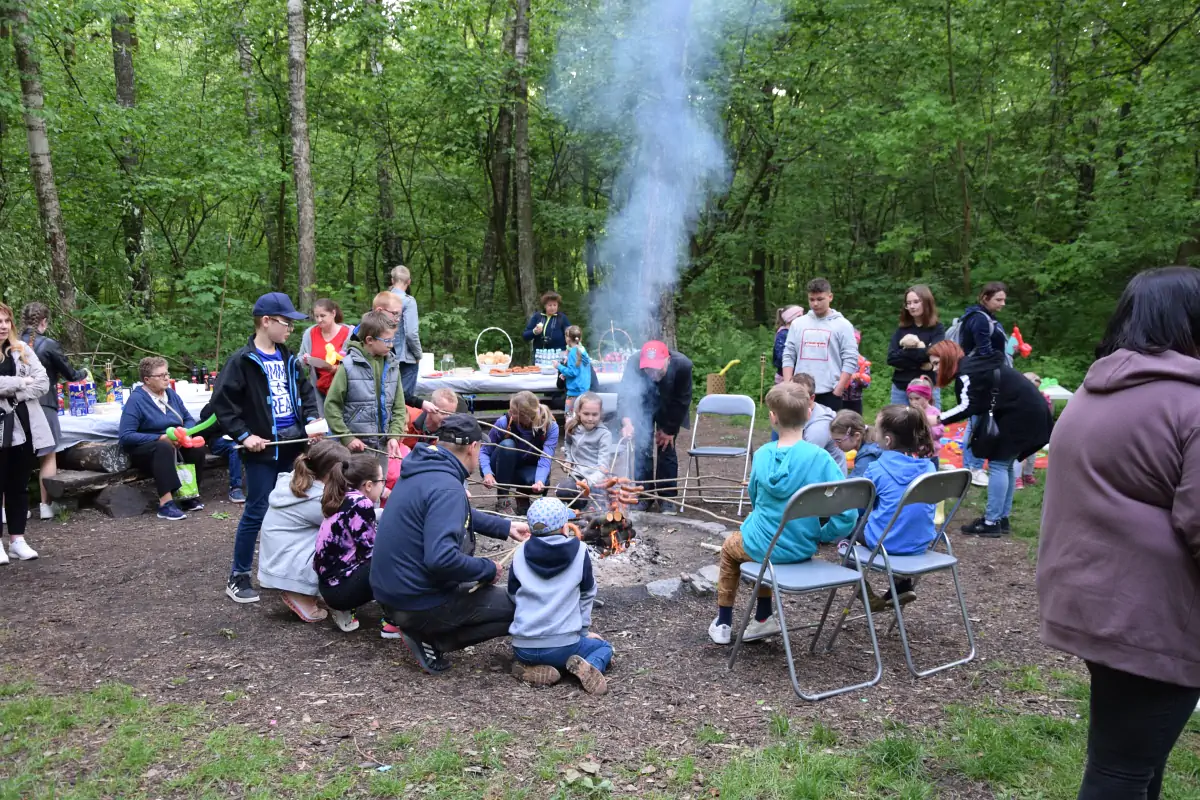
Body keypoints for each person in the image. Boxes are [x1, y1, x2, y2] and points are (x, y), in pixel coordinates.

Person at [1038, 265, 1200, 800]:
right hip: (1153, 614)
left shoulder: (1096, 389)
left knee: (1132, 759)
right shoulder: (1191, 403)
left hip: (1094, 600)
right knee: (1121, 770)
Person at [370, 414, 531, 674]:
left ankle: (424, 631)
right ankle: (435, 639)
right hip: (417, 603)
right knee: (522, 605)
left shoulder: (421, 469)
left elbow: (450, 511)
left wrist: (506, 527)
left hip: (392, 596)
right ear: (473, 447)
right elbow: (441, 559)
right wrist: (486, 569)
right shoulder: (447, 487)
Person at [707, 382, 856, 645]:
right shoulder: (820, 458)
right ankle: (763, 617)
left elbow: (755, 499)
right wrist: (822, 535)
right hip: (801, 547)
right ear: (809, 414)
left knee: (731, 549)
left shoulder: (763, 454)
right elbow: (848, 515)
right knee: (761, 546)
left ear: (773, 417)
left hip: (762, 546)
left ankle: (723, 622)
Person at [213, 292, 322, 604]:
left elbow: (306, 393)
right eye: (285, 323)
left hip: (294, 446)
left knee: (298, 507)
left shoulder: (289, 358)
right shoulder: (241, 362)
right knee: (257, 510)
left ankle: (291, 573)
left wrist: (312, 422)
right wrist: (245, 435)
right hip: (263, 450)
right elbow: (223, 405)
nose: (290, 329)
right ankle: (239, 575)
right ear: (265, 321)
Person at [928, 339, 1052, 538]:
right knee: (1006, 465)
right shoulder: (972, 366)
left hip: (1022, 415)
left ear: (948, 359)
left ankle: (991, 521)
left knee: (998, 465)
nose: (934, 369)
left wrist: (937, 419)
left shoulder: (967, 373)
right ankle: (1000, 518)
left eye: (936, 363)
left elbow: (968, 406)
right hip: (1029, 411)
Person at [508, 497, 612, 694]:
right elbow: (587, 593)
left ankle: (529, 668)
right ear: (565, 527)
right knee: (604, 647)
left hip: (524, 647)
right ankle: (589, 666)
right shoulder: (580, 552)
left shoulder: (520, 553)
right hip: (563, 647)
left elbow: (513, 594)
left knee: (529, 655)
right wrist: (583, 631)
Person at [258, 440, 352, 622]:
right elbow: (348, 518)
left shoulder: (298, 482)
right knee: (342, 542)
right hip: (287, 563)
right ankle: (299, 592)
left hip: (279, 557)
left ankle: (305, 591)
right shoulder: (314, 500)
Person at [858, 405, 938, 612]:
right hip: (920, 542)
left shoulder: (876, 469)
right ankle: (902, 584)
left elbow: (861, 506)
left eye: (876, 428)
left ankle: (859, 585)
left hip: (885, 543)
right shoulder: (929, 468)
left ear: (887, 441)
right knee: (897, 518)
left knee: (847, 534)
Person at [20, 302, 88, 520]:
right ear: (44, 322)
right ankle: (45, 506)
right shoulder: (49, 345)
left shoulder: (11, 343)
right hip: (44, 403)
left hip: (15, 404)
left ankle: (8, 508)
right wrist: (83, 372)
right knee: (47, 455)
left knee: (14, 456)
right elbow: (70, 374)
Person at [118, 357, 208, 521]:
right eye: (160, 376)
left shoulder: (171, 395)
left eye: (167, 374)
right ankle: (165, 504)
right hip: (147, 448)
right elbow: (126, 435)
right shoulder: (137, 400)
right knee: (163, 447)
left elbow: (187, 418)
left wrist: (184, 433)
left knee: (196, 448)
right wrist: (160, 437)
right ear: (147, 380)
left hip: (175, 441)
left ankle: (187, 495)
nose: (167, 378)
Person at [0, 302, 51, 564]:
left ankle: (17, 540)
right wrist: (21, 381)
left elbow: (42, 382)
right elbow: (26, 381)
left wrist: (12, 393)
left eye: (6, 321)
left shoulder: (22, 349)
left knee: (18, 484)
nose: (3, 326)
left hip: (23, 423)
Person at [617, 340, 692, 512]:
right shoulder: (634, 362)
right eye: (648, 369)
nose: (653, 373)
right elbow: (625, 394)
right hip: (643, 405)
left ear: (668, 360)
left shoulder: (683, 366)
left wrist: (669, 430)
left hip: (671, 407)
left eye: (657, 368)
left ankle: (667, 497)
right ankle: (645, 495)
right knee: (643, 446)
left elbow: (682, 400)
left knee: (666, 447)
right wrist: (627, 421)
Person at [323, 310, 407, 462]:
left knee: (378, 485)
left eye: (392, 339)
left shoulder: (393, 365)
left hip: (382, 447)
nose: (391, 344)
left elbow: (399, 406)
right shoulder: (348, 366)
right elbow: (331, 406)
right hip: (356, 450)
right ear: (369, 340)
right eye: (387, 340)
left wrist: (394, 435)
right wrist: (347, 438)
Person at [314, 452, 384, 633]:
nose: (383, 486)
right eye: (381, 481)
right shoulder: (362, 504)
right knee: (394, 560)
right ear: (369, 485)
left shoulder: (342, 495)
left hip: (327, 584)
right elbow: (371, 552)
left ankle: (343, 608)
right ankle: (395, 619)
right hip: (340, 590)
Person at [954, 281, 1008, 486]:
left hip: (981, 374)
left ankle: (971, 464)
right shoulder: (979, 319)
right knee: (978, 421)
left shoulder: (986, 318)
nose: (1003, 303)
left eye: (1004, 299)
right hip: (978, 376)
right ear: (985, 298)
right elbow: (984, 351)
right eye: (998, 299)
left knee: (975, 420)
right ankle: (973, 466)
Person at [780, 278, 859, 411]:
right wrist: (788, 385)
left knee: (828, 431)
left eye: (820, 299)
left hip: (830, 392)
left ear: (830, 297)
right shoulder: (798, 324)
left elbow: (850, 358)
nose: (815, 304)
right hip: (800, 391)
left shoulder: (843, 325)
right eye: (811, 299)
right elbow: (788, 354)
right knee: (797, 430)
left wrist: (838, 390)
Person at [480, 391, 560, 514]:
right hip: (499, 467)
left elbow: (546, 459)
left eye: (512, 411)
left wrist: (539, 481)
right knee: (508, 445)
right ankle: (503, 499)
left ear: (526, 417)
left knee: (542, 479)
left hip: (526, 468)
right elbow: (484, 451)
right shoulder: (504, 422)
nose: (509, 413)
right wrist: (487, 473)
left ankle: (522, 495)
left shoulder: (550, 426)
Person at [887, 285, 945, 407]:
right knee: (899, 424)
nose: (912, 306)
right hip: (901, 388)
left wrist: (904, 354)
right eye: (908, 303)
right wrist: (922, 358)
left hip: (928, 388)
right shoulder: (901, 330)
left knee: (930, 424)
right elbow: (891, 358)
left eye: (916, 302)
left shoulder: (937, 329)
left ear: (926, 302)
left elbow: (934, 354)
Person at [556, 392, 613, 509]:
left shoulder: (604, 434)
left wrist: (589, 482)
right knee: (561, 490)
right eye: (586, 414)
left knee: (601, 504)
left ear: (600, 414)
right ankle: (581, 506)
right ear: (578, 413)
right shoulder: (573, 427)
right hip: (577, 476)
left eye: (594, 414)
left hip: (596, 479)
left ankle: (588, 505)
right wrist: (568, 460)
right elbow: (568, 444)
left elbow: (603, 467)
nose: (590, 418)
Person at [299, 298, 353, 415]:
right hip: (319, 387)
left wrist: (335, 369)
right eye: (316, 316)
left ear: (333, 313)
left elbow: (355, 361)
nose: (319, 320)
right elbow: (300, 358)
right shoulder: (310, 333)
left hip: (344, 387)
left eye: (323, 316)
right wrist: (305, 359)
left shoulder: (349, 333)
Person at [790, 372, 847, 474]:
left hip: (830, 485)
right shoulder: (802, 412)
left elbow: (803, 465)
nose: (791, 401)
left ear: (811, 399)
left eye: (798, 397)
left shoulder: (817, 429)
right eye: (789, 394)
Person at [197, 401, 244, 503]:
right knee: (235, 448)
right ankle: (236, 488)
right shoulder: (212, 406)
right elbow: (201, 430)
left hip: (241, 437)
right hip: (218, 440)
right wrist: (219, 423)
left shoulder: (241, 405)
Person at [389, 266, 423, 406]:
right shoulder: (408, 301)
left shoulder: (382, 299)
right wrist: (418, 354)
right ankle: (404, 427)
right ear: (409, 282)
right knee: (404, 402)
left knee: (388, 396)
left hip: (385, 354)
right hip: (405, 359)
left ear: (392, 280)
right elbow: (411, 333)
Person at [1015, 372, 1051, 489]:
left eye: (1037, 388)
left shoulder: (1042, 397)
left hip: (1034, 433)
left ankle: (1027, 474)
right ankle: (1016, 478)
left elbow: (1047, 410)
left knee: (1031, 456)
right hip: (1020, 433)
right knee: (1018, 457)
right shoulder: (1018, 397)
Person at [829, 410, 881, 479]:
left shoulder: (867, 457)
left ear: (857, 436)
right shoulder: (870, 443)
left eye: (838, 440)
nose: (835, 445)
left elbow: (853, 487)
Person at [556, 325, 592, 413]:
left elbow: (573, 373)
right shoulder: (582, 350)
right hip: (584, 392)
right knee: (582, 418)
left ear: (568, 339)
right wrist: (565, 374)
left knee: (570, 419)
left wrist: (558, 366)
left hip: (573, 394)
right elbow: (579, 370)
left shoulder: (573, 353)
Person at [771, 305, 804, 385]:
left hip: (797, 377)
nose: (803, 319)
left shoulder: (797, 332)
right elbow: (781, 358)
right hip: (784, 378)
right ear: (791, 318)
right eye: (799, 316)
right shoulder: (783, 334)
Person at [842, 328, 870, 416]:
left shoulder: (863, 361)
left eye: (856, 343)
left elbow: (866, 383)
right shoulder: (839, 359)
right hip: (841, 398)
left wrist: (859, 380)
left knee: (856, 422)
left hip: (856, 400)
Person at [906, 376, 944, 441]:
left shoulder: (934, 412)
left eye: (917, 398)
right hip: (914, 448)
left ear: (927, 397)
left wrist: (925, 425)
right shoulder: (910, 411)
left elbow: (939, 433)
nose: (913, 402)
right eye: (910, 399)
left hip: (930, 448)